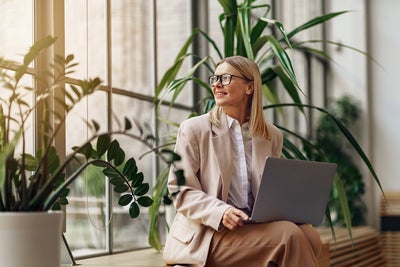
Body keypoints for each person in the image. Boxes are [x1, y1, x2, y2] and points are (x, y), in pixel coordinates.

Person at [163, 55, 322, 267]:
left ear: (249, 87)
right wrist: (222, 212)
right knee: (289, 235)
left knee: (311, 236)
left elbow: (271, 191)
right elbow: (180, 190)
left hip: (251, 226)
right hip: (207, 234)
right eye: (215, 79)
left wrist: (291, 208)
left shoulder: (271, 136)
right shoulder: (194, 129)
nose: (217, 84)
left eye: (226, 78)